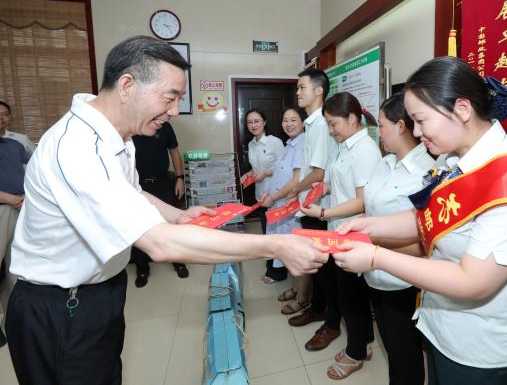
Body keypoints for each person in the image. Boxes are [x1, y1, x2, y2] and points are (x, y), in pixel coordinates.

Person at [5, 35, 328, 385]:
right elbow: (161, 245)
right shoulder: (78, 147)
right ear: (127, 85)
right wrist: (275, 245)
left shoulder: (119, 137)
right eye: (170, 96)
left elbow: (132, 192)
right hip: (59, 306)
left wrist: (177, 215)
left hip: (99, 293)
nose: (174, 110)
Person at [334, 56, 507, 385]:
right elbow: (426, 218)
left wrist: (375, 257)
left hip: (484, 352)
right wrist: (370, 226)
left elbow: (473, 281)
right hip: (441, 330)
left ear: (462, 109)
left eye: (421, 120)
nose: (416, 132)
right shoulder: (452, 160)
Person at [300, 91, 381, 379]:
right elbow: (339, 182)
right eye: (328, 124)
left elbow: (362, 201)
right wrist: (322, 190)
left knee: (351, 297)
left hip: (353, 232)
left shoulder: (365, 150)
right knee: (350, 293)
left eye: (333, 124)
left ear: (353, 118)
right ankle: (365, 343)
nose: (331, 130)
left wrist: (323, 213)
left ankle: (355, 353)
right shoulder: (343, 146)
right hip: (339, 231)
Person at [363, 93, 434, 385]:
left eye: (381, 125)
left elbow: (426, 238)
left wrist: (372, 244)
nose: (378, 133)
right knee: (392, 347)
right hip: (373, 273)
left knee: (405, 353)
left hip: (403, 281)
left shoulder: (427, 172)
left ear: (401, 126)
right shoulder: (385, 162)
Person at [286, 68, 340, 352]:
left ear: (319, 90)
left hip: (319, 206)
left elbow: (318, 172)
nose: (298, 92)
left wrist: (296, 189)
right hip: (310, 203)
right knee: (317, 266)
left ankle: (331, 323)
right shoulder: (313, 123)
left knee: (325, 269)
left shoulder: (320, 124)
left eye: (302, 87)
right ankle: (318, 309)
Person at [261, 107, 308, 313]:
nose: (288, 124)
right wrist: (269, 192)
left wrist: (273, 197)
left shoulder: (303, 145)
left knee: (298, 253)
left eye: (293, 120)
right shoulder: (289, 144)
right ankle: (296, 289)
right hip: (281, 206)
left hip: (291, 207)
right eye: (285, 120)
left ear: (303, 122)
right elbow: (280, 175)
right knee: (290, 251)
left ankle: (302, 297)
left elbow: (296, 180)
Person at [131, 121, 189, 287]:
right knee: (139, 226)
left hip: (162, 182)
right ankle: (142, 268)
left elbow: (174, 151)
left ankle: (178, 261)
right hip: (137, 184)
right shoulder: (131, 125)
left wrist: (180, 178)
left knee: (170, 224)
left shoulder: (164, 126)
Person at [240, 108, 285, 283]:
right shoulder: (252, 144)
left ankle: (277, 273)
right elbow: (256, 167)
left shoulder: (275, 142)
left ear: (264, 122)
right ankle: (272, 268)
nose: (253, 125)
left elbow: (284, 167)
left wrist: (265, 173)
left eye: (257, 121)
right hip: (261, 196)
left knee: (274, 233)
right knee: (267, 232)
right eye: (250, 122)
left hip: (276, 194)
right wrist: (248, 174)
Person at [0, 107, 29, 348]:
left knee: (15, 267)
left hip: (20, 209)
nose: (1, 117)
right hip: (3, 207)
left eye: (4, 113)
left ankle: (13, 319)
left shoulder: (16, 144)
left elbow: (30, 173)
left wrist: (24, 199)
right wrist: (9, 198)